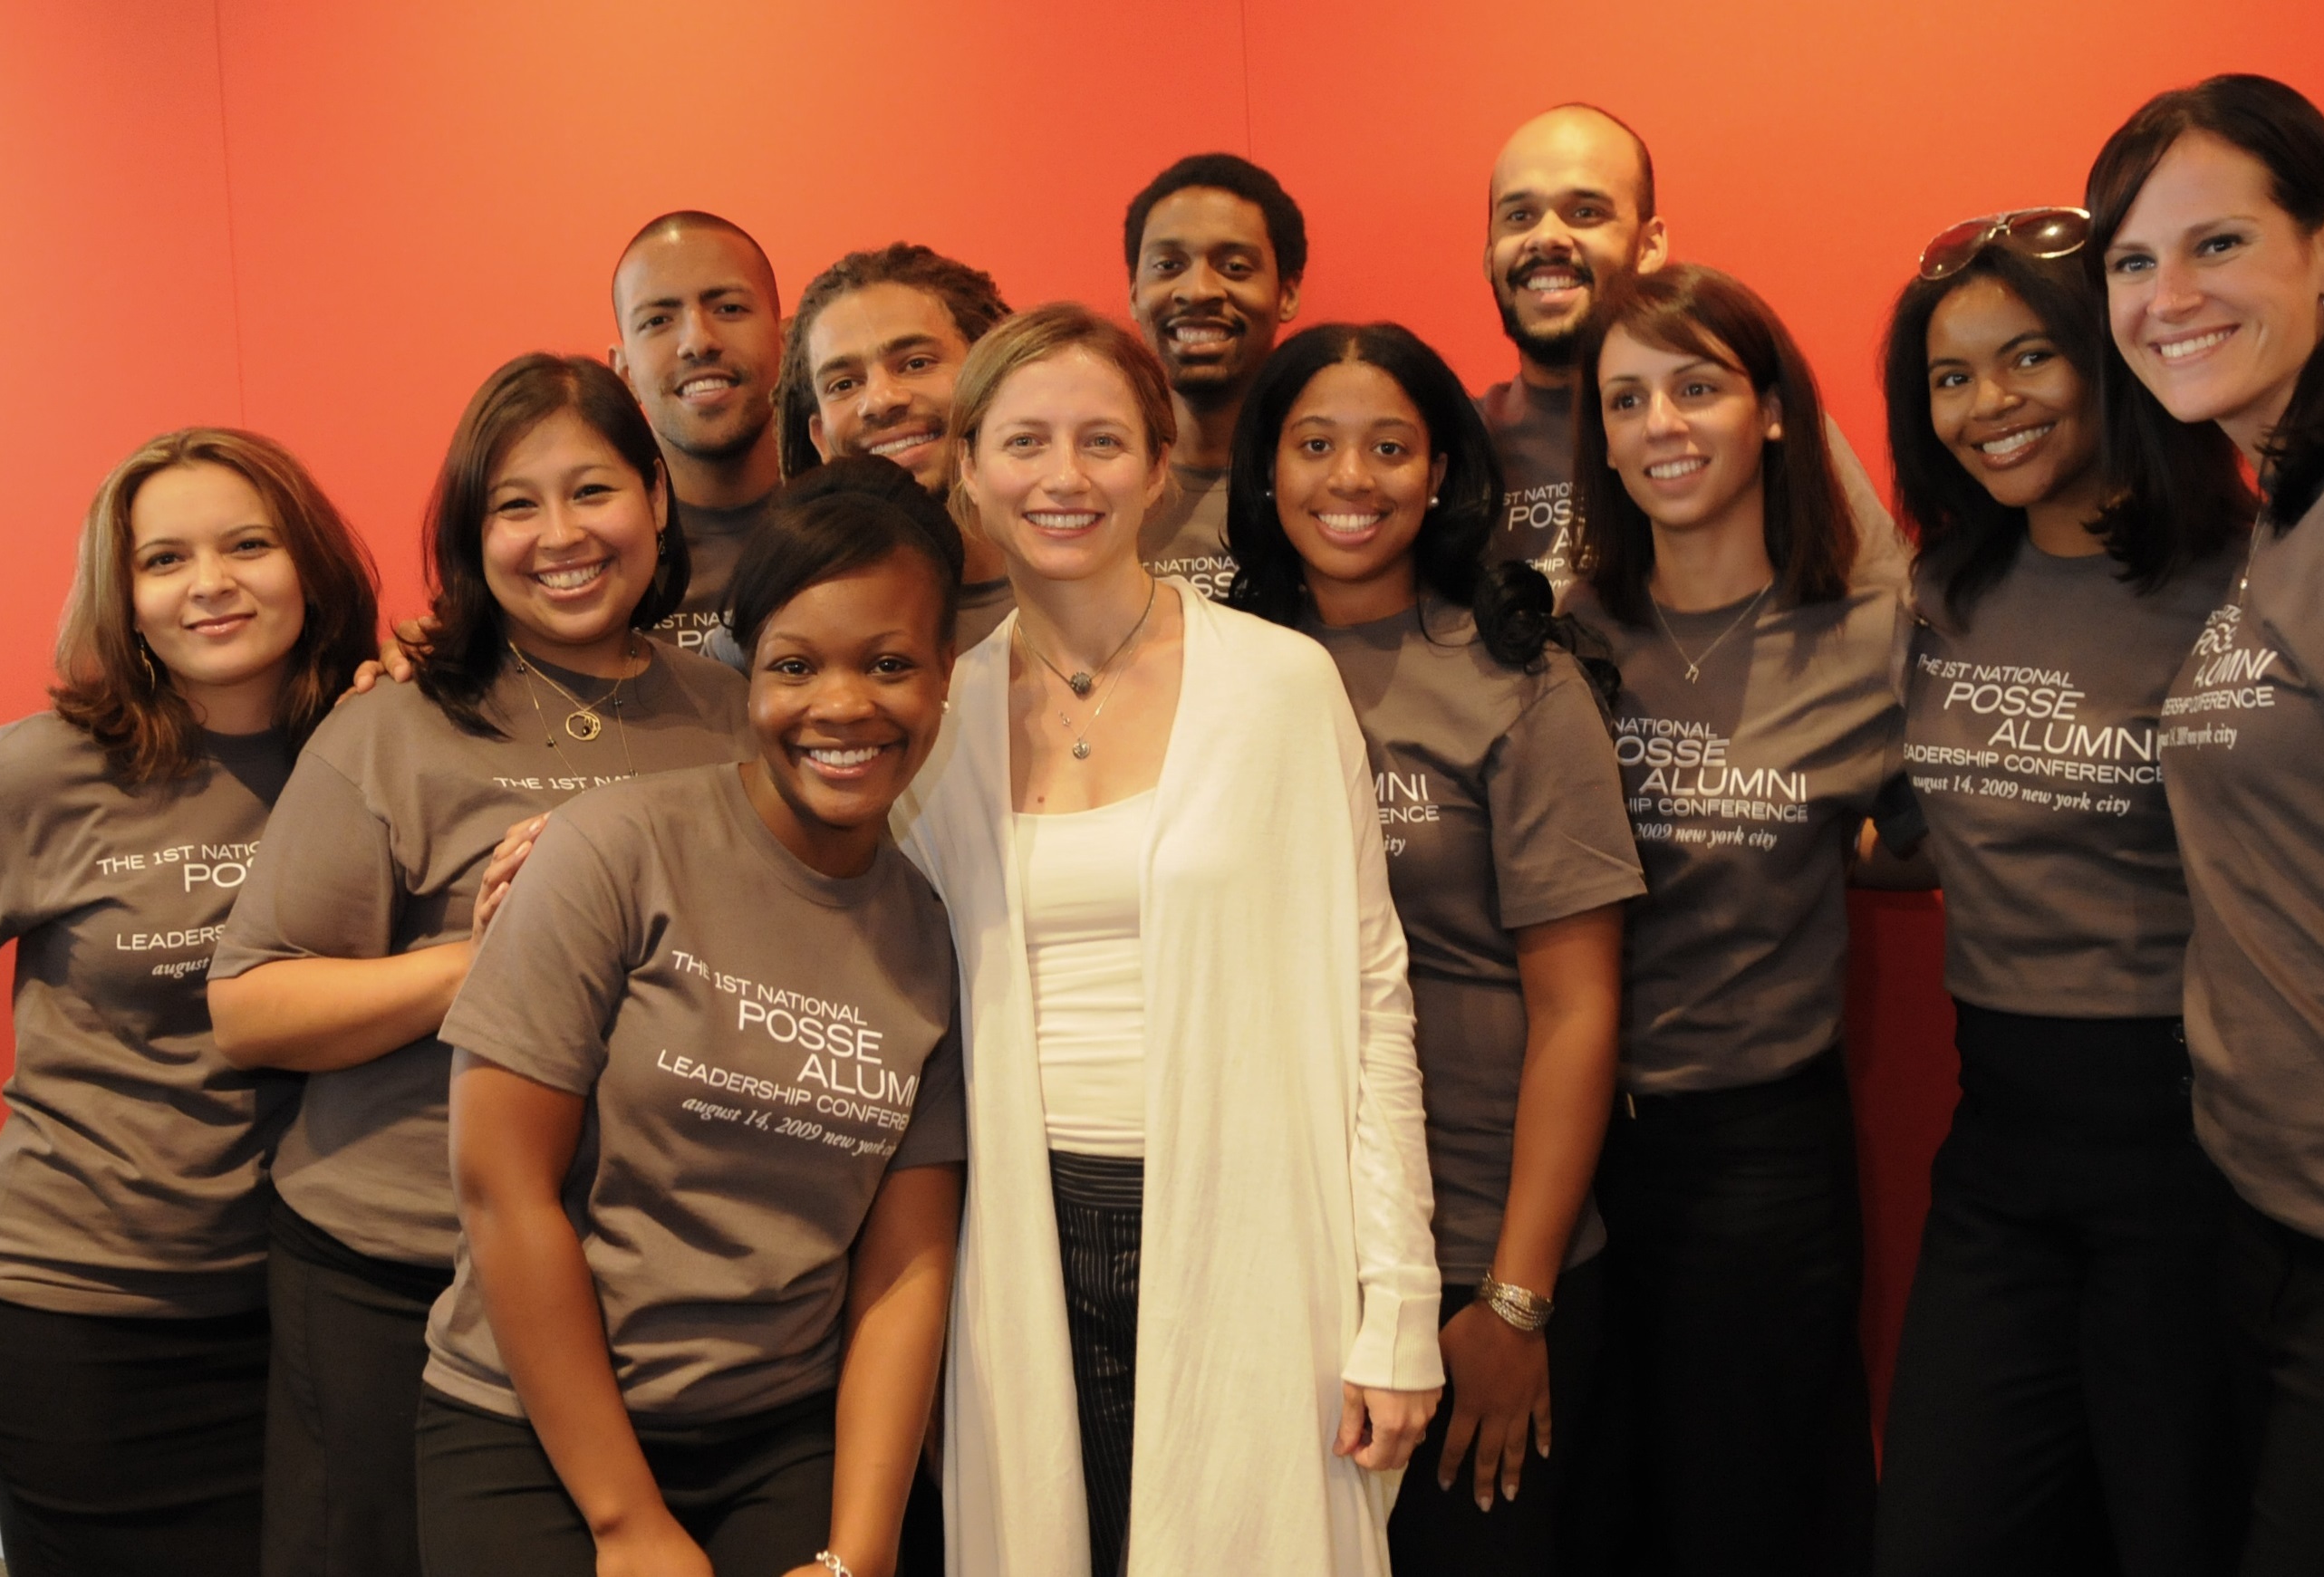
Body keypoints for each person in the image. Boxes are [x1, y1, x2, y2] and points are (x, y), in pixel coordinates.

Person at [891, 303, 1442, 1573]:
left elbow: (1371, 1002)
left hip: (1254, 1227)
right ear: (968, 470)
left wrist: (1399, 1303)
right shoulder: (940, 711)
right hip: (1016, 1240)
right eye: (1024, 442)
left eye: (1100, 440)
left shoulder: (1280, 687)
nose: (1064, 477)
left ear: (1156, 467)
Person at [205, 354, 750, 1577]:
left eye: (592, 492)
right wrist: (489, 963)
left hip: (638, 1284)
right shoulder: (395, 722)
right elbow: (249, 1006)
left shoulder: (730, 716)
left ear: (656, 502)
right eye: (514, 505)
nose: (559, 535)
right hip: (395, 1268)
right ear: (471, 532)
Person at [415, 489, 968, 1577]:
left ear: (946, 673)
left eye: (891, 665)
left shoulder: (929, 930)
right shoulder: (610, 852)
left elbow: (908, 1266)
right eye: (797, 665)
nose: (843, 706)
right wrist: (627, 1523)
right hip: (533, 1422)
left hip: (780, 1435)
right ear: (747, 674)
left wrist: (858, 1553)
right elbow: (501, 1188)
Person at [2091, 72, 2324, 1573]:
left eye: (2213, 247)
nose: (2165, 297)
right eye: (2131, 261)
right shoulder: (2286, 509)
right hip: (2272, 1223)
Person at [1224, 322, 1643, 1575]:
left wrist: (1513, 1302)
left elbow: (1576, 1010)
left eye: (1389, 447)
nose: (1350, 478)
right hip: (1271, 1242)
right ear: (1264, 471)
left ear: (1444, 474)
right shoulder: (1210, 675)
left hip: (1475, 1251)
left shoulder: (1517, 678)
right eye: (1314, 445)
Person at [1870, 211, 2251, 1577]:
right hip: (1999, 1152)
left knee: (2172, 1536)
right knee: (1932, 1535)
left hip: (2189, 1152)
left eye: (2028, 356)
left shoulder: (2243, 578)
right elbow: (1924, 823)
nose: (1989, 406)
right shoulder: (1941, 588)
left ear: (2105, 358)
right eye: (1951, 376)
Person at [0, 430, 376, 1576]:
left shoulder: (375, 749)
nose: (212, 584)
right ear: (124, 596)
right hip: (81, 1332)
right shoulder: (46, 771)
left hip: (303, 1319)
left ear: (312, 566)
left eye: (249, 544)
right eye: (166, 559)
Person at [1560, 262, 1905, 1575]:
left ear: (1771, 412)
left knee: (1752, 1511)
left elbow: (1930, 834)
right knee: (1589, 1507)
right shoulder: (1555, 629)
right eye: (1627, 399)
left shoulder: (1874, 630)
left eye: (1695, 388)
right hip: (1563, 1152)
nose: (1661, 427)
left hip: (1757, 1153)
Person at [1478, 104, 1905, 594]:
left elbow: (1886, 612)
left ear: (1650, 245)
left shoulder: (1744, 425)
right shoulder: (1445, 446)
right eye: (1519, 216)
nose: (1547, 238)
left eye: (1586, 212)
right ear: (1490, 256)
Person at [773, 241, 1018, 650]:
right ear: (820, 438)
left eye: (916, 363)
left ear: (994, 375)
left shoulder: (1089, 593)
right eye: (844, 384)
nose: (880, 400)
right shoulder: (774, 625)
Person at [1124, 152, 1306, 599]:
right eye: (1168, 265)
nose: (1198, 291)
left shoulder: (1329, 483)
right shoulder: (1098, 486)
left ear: (1287, 293)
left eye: (1234, 267)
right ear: (1133, 294)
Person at [608, 210, 786, 652]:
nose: (698, 340)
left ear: (789, 341)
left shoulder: (863, 526)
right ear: (624, 372)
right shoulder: (592, 553)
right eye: (657, 321)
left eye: (729, 308)